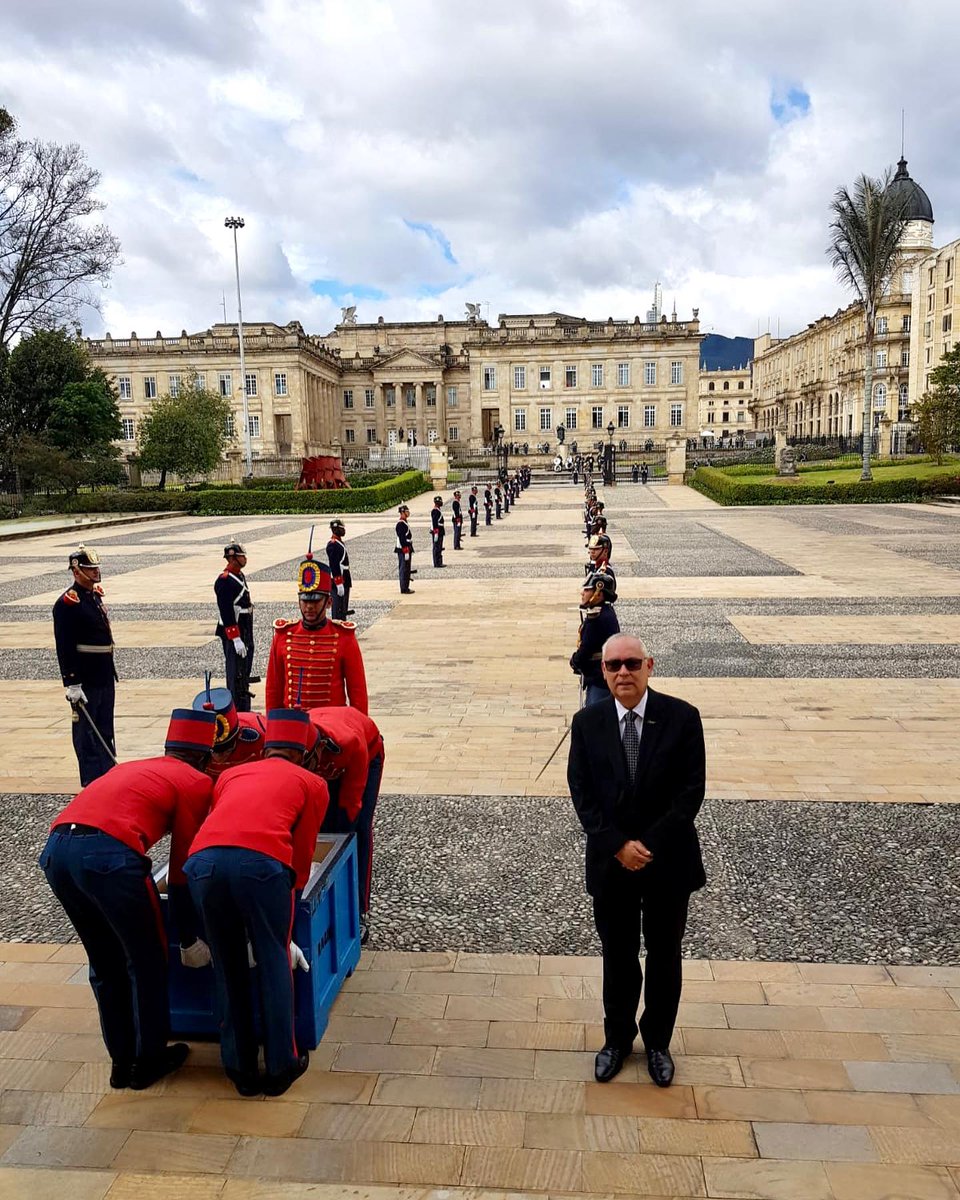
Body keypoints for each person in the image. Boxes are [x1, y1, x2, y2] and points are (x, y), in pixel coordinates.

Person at [38, 708, 218, 1090]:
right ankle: (149, 1059)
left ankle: (121, 1061)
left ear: (169, 747)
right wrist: (188, 938)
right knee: (147, 957)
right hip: (109, 860)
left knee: (104, 960)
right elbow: (182, 868)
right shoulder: (195, 782)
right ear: (205, 756)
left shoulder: (135, 768)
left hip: (57, 851)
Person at [567, 633, 706, 1089]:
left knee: (665, 955)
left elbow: (690, 793)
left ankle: (659, 1043)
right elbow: (583, 796)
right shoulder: (587, 723)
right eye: (613, 666)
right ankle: (617, 1040)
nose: (622, 673)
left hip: (667, 861)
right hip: (612, 864)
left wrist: (646, 844)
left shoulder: (683, 718)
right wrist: (617, 845)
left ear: (650, 665)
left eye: (631, 663)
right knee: (619, 955)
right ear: (602, 672)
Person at [185, 709, 329, 1097]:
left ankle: (239, 1068)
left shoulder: (231, 774)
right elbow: (302, 852)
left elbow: (222, 820)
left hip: (202, 865)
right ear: (302, 754)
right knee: (273, 960)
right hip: (263, 867)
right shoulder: (312, 782)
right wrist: (291, 907)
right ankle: (282, 1065)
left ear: (267, 749)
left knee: (227, 964)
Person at [308, 706, 384, 944]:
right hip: (327, 753)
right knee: (318, 829)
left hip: (366, 758)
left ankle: (357, 909)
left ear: (320, 748)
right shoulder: (288, 745)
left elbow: (352, 801)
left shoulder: (349, 743)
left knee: (355, 831)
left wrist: (340, 847)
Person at [265, 546, 368, 713]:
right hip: (292, 726)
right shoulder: (283, 635)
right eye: (305, 601)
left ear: (328, 603)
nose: (309, 607)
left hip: (332, 728)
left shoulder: (344, 637)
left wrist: (361, 729)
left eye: (315, 601)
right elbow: (273, 690)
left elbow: (358, 693)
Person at [53, 544, 117, 786]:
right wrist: (71, 681)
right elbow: (65, 645)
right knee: (87, 735)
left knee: (104, 728)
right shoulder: (68, 603)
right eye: (90, 568)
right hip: (86, 678)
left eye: (96, 567)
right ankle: (92, 781)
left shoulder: (93, 596)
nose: (95, 572)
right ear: (76, 571)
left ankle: (106, 775)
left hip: (103, 674)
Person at [193, 683, 266, 778]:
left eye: (226, 751)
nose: (220, 758)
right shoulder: (190, 751)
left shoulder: (261, 738)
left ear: (239, 735)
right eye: (214, 752)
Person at [214, 540, 254, 713]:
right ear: (233, 558)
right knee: (235, 671)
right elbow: (226, 610)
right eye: (241, 556)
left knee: (244, 669)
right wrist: (235, 637)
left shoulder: (239, 575)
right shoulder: (224, 580)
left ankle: (244, 705)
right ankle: (236, 708)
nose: (245, 559)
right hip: (235, 630)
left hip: (245, 625)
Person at [569, 573, 620, 706]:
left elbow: (587, 647)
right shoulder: (605, 612)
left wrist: (575, 660)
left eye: (587, 590)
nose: (582, 593)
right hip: (602, 675)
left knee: (594, 718)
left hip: (599, 678)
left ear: (599, 593)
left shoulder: (597, 618)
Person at [326, 519, 353, 620]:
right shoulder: (333, 545)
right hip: (339, 579)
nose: (344, 530)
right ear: (337, 529)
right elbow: (334, 565)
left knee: (343, 606)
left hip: (344, 577)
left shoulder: (338, 543)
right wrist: (338, 583)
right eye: (342, 528)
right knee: (338, 607)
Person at [395, 504, 415, 594]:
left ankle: (406, 586)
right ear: (402, 512)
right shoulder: (400, 524)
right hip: (403, 549)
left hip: (406, 548)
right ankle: (404, 588)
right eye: (406, 511)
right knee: (404, 569)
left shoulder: (404, 522)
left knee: (406, 568)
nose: (408, 512)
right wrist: (406, 549)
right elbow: (402, 539)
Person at [430, 495, 446, 568]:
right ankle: (437, 562)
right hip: (438, 531)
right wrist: (436, 532)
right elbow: (434, 522)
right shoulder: (435, 511)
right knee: (437, 547)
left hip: (439, 531)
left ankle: (439, 561)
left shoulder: (437, 510)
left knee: (439, 547)